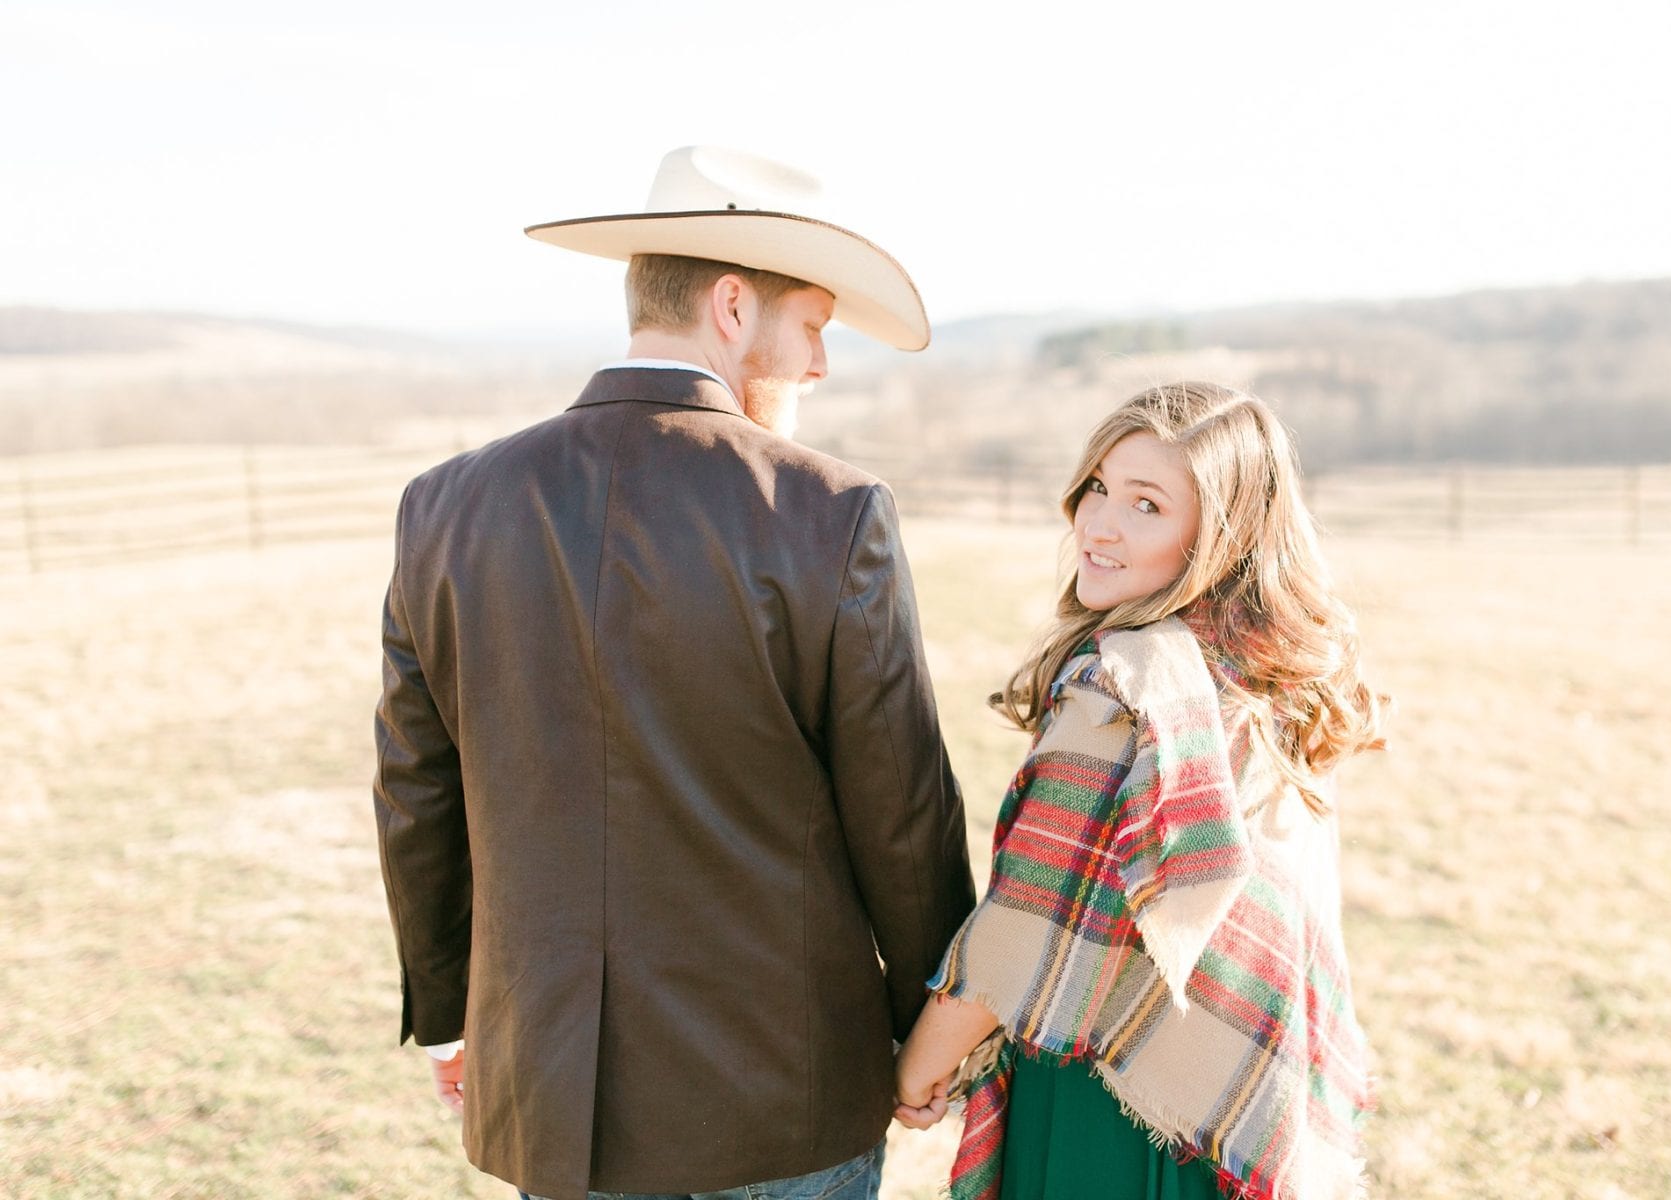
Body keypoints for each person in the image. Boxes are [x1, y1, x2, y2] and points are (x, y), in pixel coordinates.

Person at [373, 146, 976, 1200]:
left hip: (557, 1091)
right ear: (733, 307)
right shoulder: (830, 513)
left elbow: (416, 796)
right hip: (788, 1098)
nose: (822, 366)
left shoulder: (443, 508)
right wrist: (937, 1014)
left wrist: (449, 1013)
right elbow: (903, 815)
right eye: (816, 327)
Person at [893, 382, 1388, 1200]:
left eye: (1147, 505)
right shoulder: (1274, 686)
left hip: (1105, 1108)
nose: (1100, 525)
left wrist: (919, 1066)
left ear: (1219, 538)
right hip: (1229, 1107)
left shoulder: (1128, 687)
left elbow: (1024, 935)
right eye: (1098, 488)